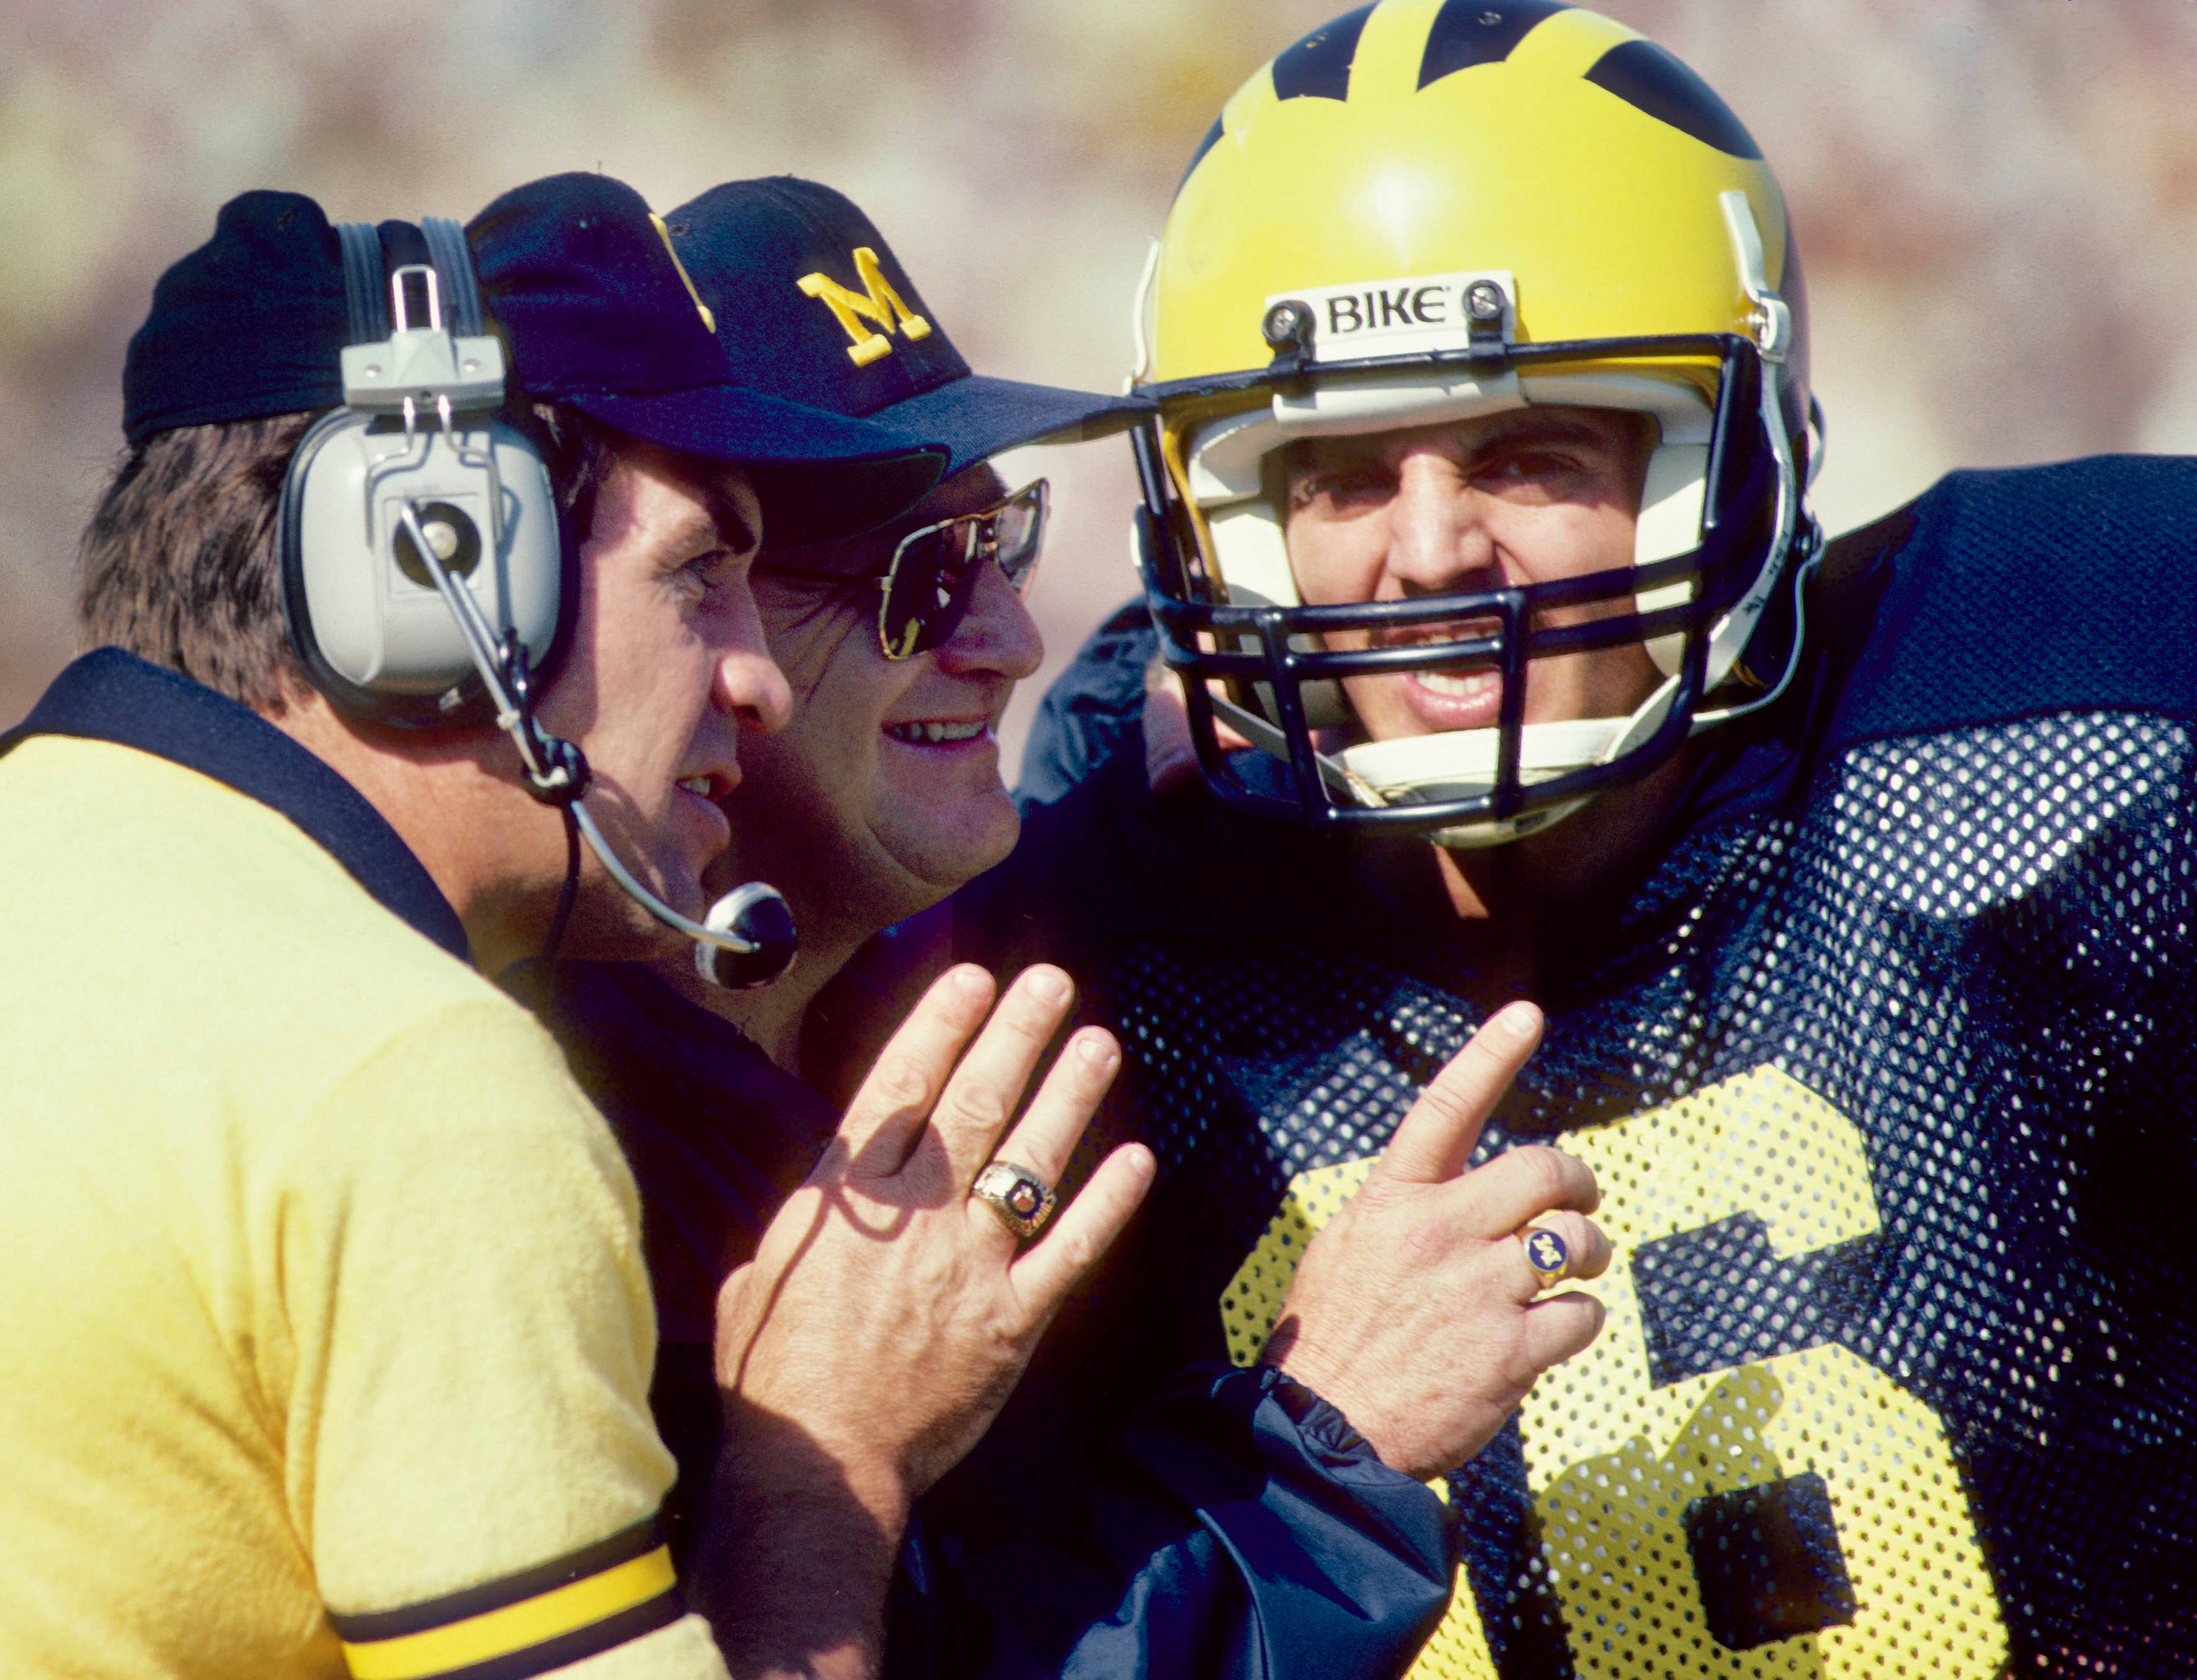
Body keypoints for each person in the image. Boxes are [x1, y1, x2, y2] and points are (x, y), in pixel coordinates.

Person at [0, 170, 1149, 1680]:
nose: (750, 678)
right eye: (703, 574)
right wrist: (829, 1460)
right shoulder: (416, 1081)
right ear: (438, 570)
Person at [981, 1, 2197, 1674]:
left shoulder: (2070, 721)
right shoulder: (1096, 950)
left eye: (1528, 451)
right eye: (1336, 474)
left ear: (1729, 464)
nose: (1429, 551)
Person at [517, 174, 1619, 1679]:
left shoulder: (904, 976)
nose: (1009, 638)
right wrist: (1325, 1446)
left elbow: (1056, 794)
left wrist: (1193, 692)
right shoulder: (538, 1177)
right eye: (921, 582)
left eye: (1003, 544)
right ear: (695, 618)